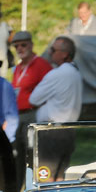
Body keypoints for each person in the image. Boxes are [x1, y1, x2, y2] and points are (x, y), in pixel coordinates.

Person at [28, 36, 82, 180]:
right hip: (69, 131)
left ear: (64, 54)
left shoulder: (57, 74)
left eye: (53, 50)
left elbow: (33, 99)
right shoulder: (76, 73)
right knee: (60, 177)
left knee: (45, 178)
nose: (50, 53)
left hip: (51, 131)